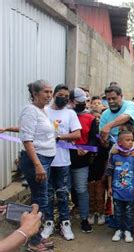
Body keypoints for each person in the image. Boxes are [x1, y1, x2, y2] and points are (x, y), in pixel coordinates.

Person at [19, 80, 56, 252]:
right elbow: (27, 139)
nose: (49, 95)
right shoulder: (30, 110)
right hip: (38, 161)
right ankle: (34, 242)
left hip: (44, 160)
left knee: (40, 198)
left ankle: (37, 236)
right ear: (35, 93)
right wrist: (38, 164)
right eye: (46, 92)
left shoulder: (42, 111)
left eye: (50, 92)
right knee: (40, 199)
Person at [44, 84, 82, 240]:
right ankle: (48, 223)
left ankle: (65, 224)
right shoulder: (44, 111)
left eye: (67, 96)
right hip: (45, 160)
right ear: (53, 94)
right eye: (61, 95)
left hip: (63, 162)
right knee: (47, 194)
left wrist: (59, 137)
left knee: (63, 194)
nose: (64, 98)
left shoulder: (70, 113)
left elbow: (77, 134)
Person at [69, 88, 98, 232]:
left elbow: (93, 138)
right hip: (63, 160)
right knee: (64, 189)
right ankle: (63, 220)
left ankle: (84, 219)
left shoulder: (90, 118)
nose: (82, 104)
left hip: (81, 161)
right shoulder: (65, 115)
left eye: (84, 101)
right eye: (78, 102)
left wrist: (87, 148)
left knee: (81, 189)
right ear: (71, 102)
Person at [106, 131, 134, 243]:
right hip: (117, 191)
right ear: (119, 142)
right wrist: (110, 187)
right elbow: (109, 173)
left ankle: (128, 230)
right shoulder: (114, 156)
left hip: (130, 191)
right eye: (127, 140)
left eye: (132, 140)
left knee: (129, 212)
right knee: (118, 211)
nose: (131, 142)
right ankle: (118, 230)